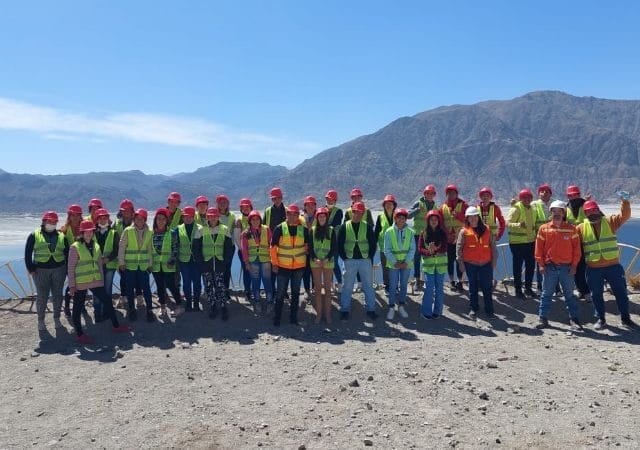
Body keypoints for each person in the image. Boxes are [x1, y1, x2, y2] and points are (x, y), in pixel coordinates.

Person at [577, 195, 637, 329]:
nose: (592, 213)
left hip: (613, 267)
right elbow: (571, 242)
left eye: (594, 210)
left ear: (598, 210)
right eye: (588, 212)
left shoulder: (610, 221)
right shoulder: (580, 228)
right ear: (585, 214)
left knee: (621, 293)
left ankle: (625, 318)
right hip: (593, 268)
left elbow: (625, 215)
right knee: (596, 295)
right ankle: (601, 319)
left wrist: (625, 202)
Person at [68, 220, 130, 344]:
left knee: (107, 301)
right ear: (82, 233)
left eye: (91, 231)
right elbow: (70, 267)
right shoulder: (75, 247)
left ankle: (116, 326)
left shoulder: (95, 246)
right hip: (81, 283)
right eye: (86, 232)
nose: (89, 234)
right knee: (77, 308)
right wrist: (72, 285)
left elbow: (98, 264)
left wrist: (101, 280)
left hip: (95, 281)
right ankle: (79, 334)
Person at [534, 200, 582, 330]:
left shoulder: (571, 229)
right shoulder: (544, 229)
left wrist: (574, 266)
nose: (556, 214)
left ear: (563, 213)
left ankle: (574, 319)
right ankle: (543, 318)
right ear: (550, 213)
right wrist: (541, 264)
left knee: (569, 295)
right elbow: (539, 249)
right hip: (550, 268)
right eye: (553, 211)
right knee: (546, 294)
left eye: (559, 211)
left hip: (567, 268)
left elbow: (577, 249)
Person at [24, 211, 69, 332]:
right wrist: (31, 268)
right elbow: (28, 253)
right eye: (49, 221)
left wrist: (67, 270)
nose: (52, 224)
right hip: (40, 270)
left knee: (58, 295)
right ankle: (41, 321)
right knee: (42, 296)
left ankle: (56, 318)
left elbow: (67, 253)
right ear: (44, 222)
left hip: (59, 269)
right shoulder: (34, 235)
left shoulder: (61, 236)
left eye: (54, 222)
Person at [270, 204, 310, 326]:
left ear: (298, 215)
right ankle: (277, 318)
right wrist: (275, 264)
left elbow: (307, 248)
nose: (292, 216)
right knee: (280, 293)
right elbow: (272, 248)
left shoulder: (303, 230)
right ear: (286, 215)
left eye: (295, 214)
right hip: (283, 267)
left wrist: (306, 264)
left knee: (295, 293)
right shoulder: (279, 228)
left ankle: (293, 318)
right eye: (290, 214)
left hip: (298, 267)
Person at [337, 201, 378, 321]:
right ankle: (345, 310)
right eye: (355, 212)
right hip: (349, 260)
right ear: (352, 212)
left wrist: (369, 257)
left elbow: (372, 244)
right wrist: (345, 258)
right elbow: (340, 244)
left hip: (365, 260)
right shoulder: (345, 226)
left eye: (360, 213)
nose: (357, 214)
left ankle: (371, 309)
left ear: (363, 213)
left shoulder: (367, 226)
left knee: (368, 286)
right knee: (347, 286)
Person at [456, 207, 497, 319]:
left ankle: (489, 310)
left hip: (486, 263)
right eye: (470, 217)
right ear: (467, 218)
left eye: (475, 216)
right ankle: (474, 308)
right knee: (472, 287)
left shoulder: (487, 229)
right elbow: (459, 248)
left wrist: (494, 261)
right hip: (471, 264)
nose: (473, 218)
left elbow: (493, 246)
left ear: (478, 217)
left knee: (487, 287)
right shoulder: (464, 232)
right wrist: (461, 263)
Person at [118, 208, 154, 322]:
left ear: (145, 220)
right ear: (134, 219)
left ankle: (149, 310)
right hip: (130, 266)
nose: (139, 221)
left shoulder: (149, 232)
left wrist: (150, 264)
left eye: (142, 219)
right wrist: (121, 262)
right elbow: (122, 247)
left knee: (146, 289)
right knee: (129, 289)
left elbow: (150, 249)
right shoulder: (128, 231)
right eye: (137, 218)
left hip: (143, 267)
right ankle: (132, 309)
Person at [201, 207, 234, 320]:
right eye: (210, 216)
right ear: (207, 218)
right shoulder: (201, 230)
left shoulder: (224, 229)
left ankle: (223, 306)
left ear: (218, 217)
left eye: (215, 216)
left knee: (220, 286)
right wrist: (201, 263)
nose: (213, 218)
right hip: (207, 264)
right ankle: (212, 305)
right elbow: (196, 248)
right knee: (209, 287)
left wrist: (225, 261)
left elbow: (229, 248)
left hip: (219, 263)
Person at [384, 208, 415, 320]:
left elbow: (412, 249)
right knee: (392, 286)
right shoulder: (389, 231)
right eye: (399, 217)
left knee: (403, 285)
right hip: (394, 265)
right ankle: (391, 307)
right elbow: (386, 249)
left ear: (406, 219)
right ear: (395, 219)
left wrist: (406, 262)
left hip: (406, 265)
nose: (401, 220)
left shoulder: (410, 232)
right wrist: (395, 262)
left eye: (403, 218)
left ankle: (401, 306)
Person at [151, 208, 183, 318]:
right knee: (160, 287)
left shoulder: (172, 233)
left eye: (163, 219)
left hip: (168, 265)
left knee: (172, 286)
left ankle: (179, 306)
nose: (160, 221)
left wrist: (172, 260)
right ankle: (163, 307)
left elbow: (175, 248)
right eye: (158, 219)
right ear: (155, 220)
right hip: (156, 266)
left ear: (167, 221)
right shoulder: (152, 234)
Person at [507, 189, 537, 299]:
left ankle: (528, 288)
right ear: (521, 198)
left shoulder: (533, 209)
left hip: (530, 241)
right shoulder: (516, 208)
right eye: (524, 197)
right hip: (517, 243)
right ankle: (518, 289)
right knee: (518, 266)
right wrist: (519, 225)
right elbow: (508, 223)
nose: (527, 199)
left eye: (529, 197)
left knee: (530, 266)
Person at [241, 210, 273, 314]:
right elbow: (244, 249)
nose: (255, 221)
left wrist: (273, 259)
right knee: (255, 282)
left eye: (257, 219)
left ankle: (269, 301)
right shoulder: (246, 233)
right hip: (253, 261)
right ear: (250, 221)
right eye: (253, 219)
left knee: (267, 281)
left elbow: (272, 244)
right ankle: (257, 301)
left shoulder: (266, 229)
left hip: (266, 260)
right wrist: (246, 262)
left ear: (260, 220)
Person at [419, 210, 448, 319]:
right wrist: (428, 252)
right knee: (429, 288)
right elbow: (420, 249)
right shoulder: (424, 233)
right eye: (432, 219)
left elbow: (445, 247)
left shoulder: (443, 233)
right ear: (428, 221)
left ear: (438, 221)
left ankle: (437, 311)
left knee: (439, 288)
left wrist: (436, 249)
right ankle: (426, 312)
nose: (434, 221)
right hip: (429, 266)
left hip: (440, 266)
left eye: (436, 219)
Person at [309, 207, 336, 324]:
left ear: (326, 217)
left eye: (323, 216)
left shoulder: (331, 230)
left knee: (328, 290)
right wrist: (316, 259)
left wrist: (326, 259)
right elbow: (310, 248)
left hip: (328, 263)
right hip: (315, 263)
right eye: (320, 216)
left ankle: (328, 315)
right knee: (318, 289)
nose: (322, 218)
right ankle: (319, 314)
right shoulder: (312, 230)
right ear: (317, 218)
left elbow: (334, 247)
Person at [408, 185, 438, 290]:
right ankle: (417, 280)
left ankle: (427, 279)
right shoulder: (418, 203)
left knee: (429, 257)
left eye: (431, 193)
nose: (429, 195)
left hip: (429, 236)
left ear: (434, 195)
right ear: (424, 194)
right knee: (417, 257)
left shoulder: (435, 207)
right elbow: (408, 215)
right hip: (417, 235)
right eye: (427, 193)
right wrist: (417, 210)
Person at [565, 185, 591, 301]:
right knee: (575, 269)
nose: (573, 197)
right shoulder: (566, 208)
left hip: (587, 243)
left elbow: (597, 220)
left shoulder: (587, 205)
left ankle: (586, 291)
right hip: (571, 244)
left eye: (575, 194)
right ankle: (583, 291)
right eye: (570, 195)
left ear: (579, 194)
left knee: (586, 269)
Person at [440, 184, 468, 291]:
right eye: (449, 193)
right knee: (450, 260)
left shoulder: (464, 205)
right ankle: (452, 281)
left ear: (457, 194)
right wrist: (447, 234)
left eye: (453, 193)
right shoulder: (443, 207)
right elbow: (441, 222)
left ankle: (460, 281)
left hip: (460, 238)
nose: (451, 195)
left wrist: (458, 215)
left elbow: (468, 219)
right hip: (448, 238)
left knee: (459, 260)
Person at [176, 206, 204, 312]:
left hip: (197, 261)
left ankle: (196, 302)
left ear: (193, 217)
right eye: (185, 216)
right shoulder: (178, 229)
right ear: (183, 217)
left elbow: (203, 245)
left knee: (197, 282)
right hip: (184, 261)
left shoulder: (200, 228)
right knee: (186, 283)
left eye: (190, 216)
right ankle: (188, 303)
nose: (188, 218)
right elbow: (175, 245)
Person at [93, 208, 119, 321]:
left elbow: (117, 249)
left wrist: (108, 259)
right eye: (101, 218)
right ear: (97, 219)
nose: (103, 220)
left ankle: (106, 311)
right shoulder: (92, 232)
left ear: (108, 219)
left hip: (109, 266)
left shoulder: (114, 233)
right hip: (96, 267)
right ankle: (97, 312)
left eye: (105, 218)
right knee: (97, 290)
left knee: (107, 289)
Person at [531, 183, 555, 292]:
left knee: (555, 261)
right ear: (539, 194)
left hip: (554, 238)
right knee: (540, 262)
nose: (544, 193)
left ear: (550, 194)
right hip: (540, 238)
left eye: (547, 191)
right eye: (542, 191)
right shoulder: (534, 204)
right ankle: (540, 286)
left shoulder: (554, 204)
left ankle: (556, 287)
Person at [60, 204, 83, 316]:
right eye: (72, 215)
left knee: (83, 284)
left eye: (77, 215)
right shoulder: (64, 231)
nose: (74, 217)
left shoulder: (84, 228)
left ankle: (81, 305)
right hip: (70, 263)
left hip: (83, 262)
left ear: (80, 216)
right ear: (69, 216)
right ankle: (67, 306)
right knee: (71, 284)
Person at [114, 199, 135, 309]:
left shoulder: (137, 221)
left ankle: (139, 296)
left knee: (136, 278)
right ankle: (123, 296)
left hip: (135, 256)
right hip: (121, 256)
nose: (126, 213)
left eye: (128, 211)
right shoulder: (116, 223)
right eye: (124, 211)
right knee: (123, 278)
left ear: (132, 211)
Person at [375, 194, 396, 294]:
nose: (388, 205)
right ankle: (387, 286)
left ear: (394, 205)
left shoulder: (397, 216)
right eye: (387, 204)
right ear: (384, 205)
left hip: (396, 248)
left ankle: (395, 285)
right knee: (385, 267)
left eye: (390, 204)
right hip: (383, 247)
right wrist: (374, 244)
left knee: (394, 266)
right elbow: (376, 231)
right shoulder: (380, 217)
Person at [235, 198, 254, 302]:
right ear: (241, 208)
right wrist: (242, 249)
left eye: (247, 206)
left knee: (255, 271)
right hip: (243, 251)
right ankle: (247, 292)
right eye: (243, 207)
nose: (246, 208)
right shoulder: (239, 220)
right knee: (247, 272)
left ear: (251, 207)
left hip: (255, 251)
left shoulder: (256, 217)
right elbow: (237, 237)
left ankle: (254, 290)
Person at [325, 189, 344, 292]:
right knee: (328, 264)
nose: (329, 201)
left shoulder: (339, 212)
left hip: (335, 243)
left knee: (335, 263)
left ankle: (340, 283)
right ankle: (331, 284)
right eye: (328, 199)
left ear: (335, 201)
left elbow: (335, 225)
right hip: (324, 243)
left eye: (331, 200)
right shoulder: (322, 210)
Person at [301, 196, 317, 303]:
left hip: (316, 249)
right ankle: (307, 291)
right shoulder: (300, 218)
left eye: (312, 205)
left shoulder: (320, 215)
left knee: (314, 271)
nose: (310, 207)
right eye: (308, 205)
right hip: (303, 249)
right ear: (305, 206)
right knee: (305, 271)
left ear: (315, 206)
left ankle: (315, 289)